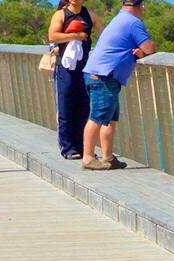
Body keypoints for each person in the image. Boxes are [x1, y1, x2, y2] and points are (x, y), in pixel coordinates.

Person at [78, 0, 155, 170]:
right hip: (103, 76)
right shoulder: (133, 22)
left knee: (110, 118)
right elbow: (149, 48)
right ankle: (88, 158)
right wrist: (142, 51)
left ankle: (108, 157)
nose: (143, 8)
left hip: (103, 75)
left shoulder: (120, 19)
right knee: (97, 117)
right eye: (142, 5)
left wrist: (138, 51)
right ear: (137, 5)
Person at [48, 0, 96, 161]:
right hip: (65, 68)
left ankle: (83, 147)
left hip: (84, 67)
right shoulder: (60, 14)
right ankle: (68, 148)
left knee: (83, 107)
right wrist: (76, 36)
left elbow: (106, 34)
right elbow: (52, 35)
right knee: (66, 106)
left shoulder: (90, 15)